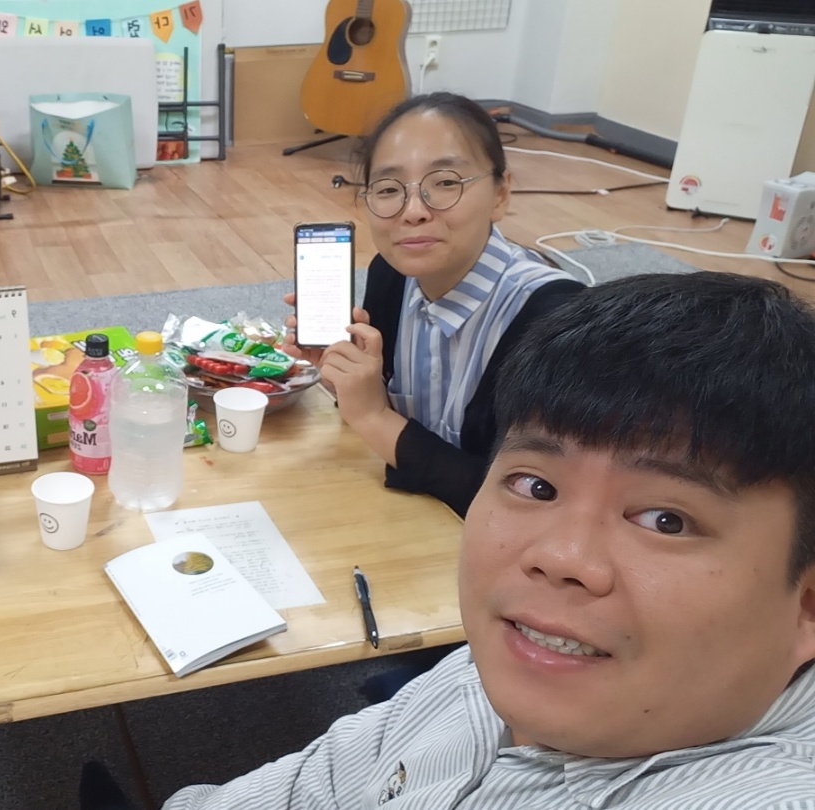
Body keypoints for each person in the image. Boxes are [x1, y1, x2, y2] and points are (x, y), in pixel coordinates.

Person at [156, 272, 815, 808]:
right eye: (537, 486)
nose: (558, 558)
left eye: (665, 520)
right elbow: (318, 781)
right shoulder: (525, 650)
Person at [284, 92, 585, 517]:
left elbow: (535, 506)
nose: (413, 212)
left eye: (445, 182)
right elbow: (399, 419)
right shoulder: (392, 274)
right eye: (389, 189)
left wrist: (373, 417)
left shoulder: (554, 322)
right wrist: (349, 382)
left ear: (501, 193)